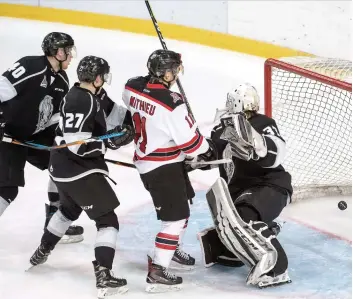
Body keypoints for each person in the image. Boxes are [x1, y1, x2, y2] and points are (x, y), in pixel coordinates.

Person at [29, 55, 134, 298]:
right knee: (107, 221)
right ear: (97, 78)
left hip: (61, 169)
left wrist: (128, 124)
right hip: (79, 171)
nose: (104, 81)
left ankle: (42, 250)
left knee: (68, 211)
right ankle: (104, 276)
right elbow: (78, 145)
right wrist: (110, 143)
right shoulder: (81, 100)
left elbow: (112, 112)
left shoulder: (83, 94)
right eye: (103, 76)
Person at [122, 49, 217, 292]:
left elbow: (140, 101)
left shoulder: (131, 87)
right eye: (173, 70)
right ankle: (157, 270)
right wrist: (206, 149)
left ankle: (171, 250)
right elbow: (191, 145)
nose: (176, 74)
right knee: (174, 220)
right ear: (163, 72)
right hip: (161, 168)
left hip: (155, 161)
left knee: (183, 206)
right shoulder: (173, 104)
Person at [197, 83, 293, 288]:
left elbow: (275, 151)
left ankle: (276, 266)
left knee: (244, 217)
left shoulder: (262, 123)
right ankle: (233, 250)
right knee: (229, 227)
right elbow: (212, 154)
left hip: (271, 186)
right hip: (241, 193)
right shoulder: (221, 128)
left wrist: (256, 144)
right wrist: (198, 155)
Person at [0, 32, 84, 243]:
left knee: (62, 164)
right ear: (58, 52)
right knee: (7, 189)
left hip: (32, 135)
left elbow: (55, 116)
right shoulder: (31, 66)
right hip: (9, 135)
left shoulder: (62, 80)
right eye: (68, 51)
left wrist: (62, 140)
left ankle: (53, 221)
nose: (71, 56)